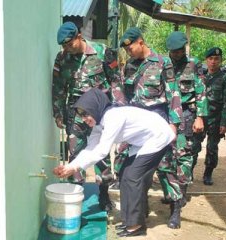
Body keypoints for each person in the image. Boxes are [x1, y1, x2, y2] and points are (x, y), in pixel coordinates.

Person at [53, 88, 175, 237]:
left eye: (86, 113)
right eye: (81, 115)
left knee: (132, 177)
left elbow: (102, 151)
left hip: (158, 136)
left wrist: (75, 167)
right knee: (125, 175)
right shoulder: (98, 123)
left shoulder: (113, 117)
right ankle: (131, 220)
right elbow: (91, 148)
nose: (84, 118)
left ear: (95, 107)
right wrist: (70, 166)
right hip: (143, 141)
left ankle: (136, 225)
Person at [52, 21, 125, 211]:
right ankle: (76, 192)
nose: (67, 49)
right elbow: (58, 87)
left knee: (100, 152)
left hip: (99, 112)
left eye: (70, 44)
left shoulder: (103, 52)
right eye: (64, 46)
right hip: (75, 112)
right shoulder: (62, 58)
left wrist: (119, 106)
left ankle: (103, 193)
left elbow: (116, 80)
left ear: (78, 37)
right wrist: (58, 112)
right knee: (75, 151)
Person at [118, 27, 184, 228]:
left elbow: (174, 94)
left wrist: (173, 125)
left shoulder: (163, 62)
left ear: (140, 41)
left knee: (166, 165)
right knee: (135, 166)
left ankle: (175, 209)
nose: (129, 53)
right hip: (137, 121)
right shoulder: (129, 66)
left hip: (158, 117)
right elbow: (126, 95)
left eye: (131, 48)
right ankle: (141, 207)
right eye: (126, 50)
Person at [159, 31, 208, 228]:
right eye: (173, 52)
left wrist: (200, 117)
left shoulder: (193, 64)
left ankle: (178, 203)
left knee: (184, 158)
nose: (176, 55)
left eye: (179, 51)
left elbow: (201, 90)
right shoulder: (163, 65)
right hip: (166, 116)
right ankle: (171, 194)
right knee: (165, 159)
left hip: (187, 115)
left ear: (184, 49)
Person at [192, 47, 226, 185]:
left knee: (212, 148)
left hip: (216, 119)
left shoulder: (225, 78)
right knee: (193, 145)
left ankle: (208, 173)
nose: (213, 62)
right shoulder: (200, 76)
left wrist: (225, 122)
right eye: (210, 59)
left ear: (220, 60)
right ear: (206, 60)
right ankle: (188, 173)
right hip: (200, 118)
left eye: (216, 59)